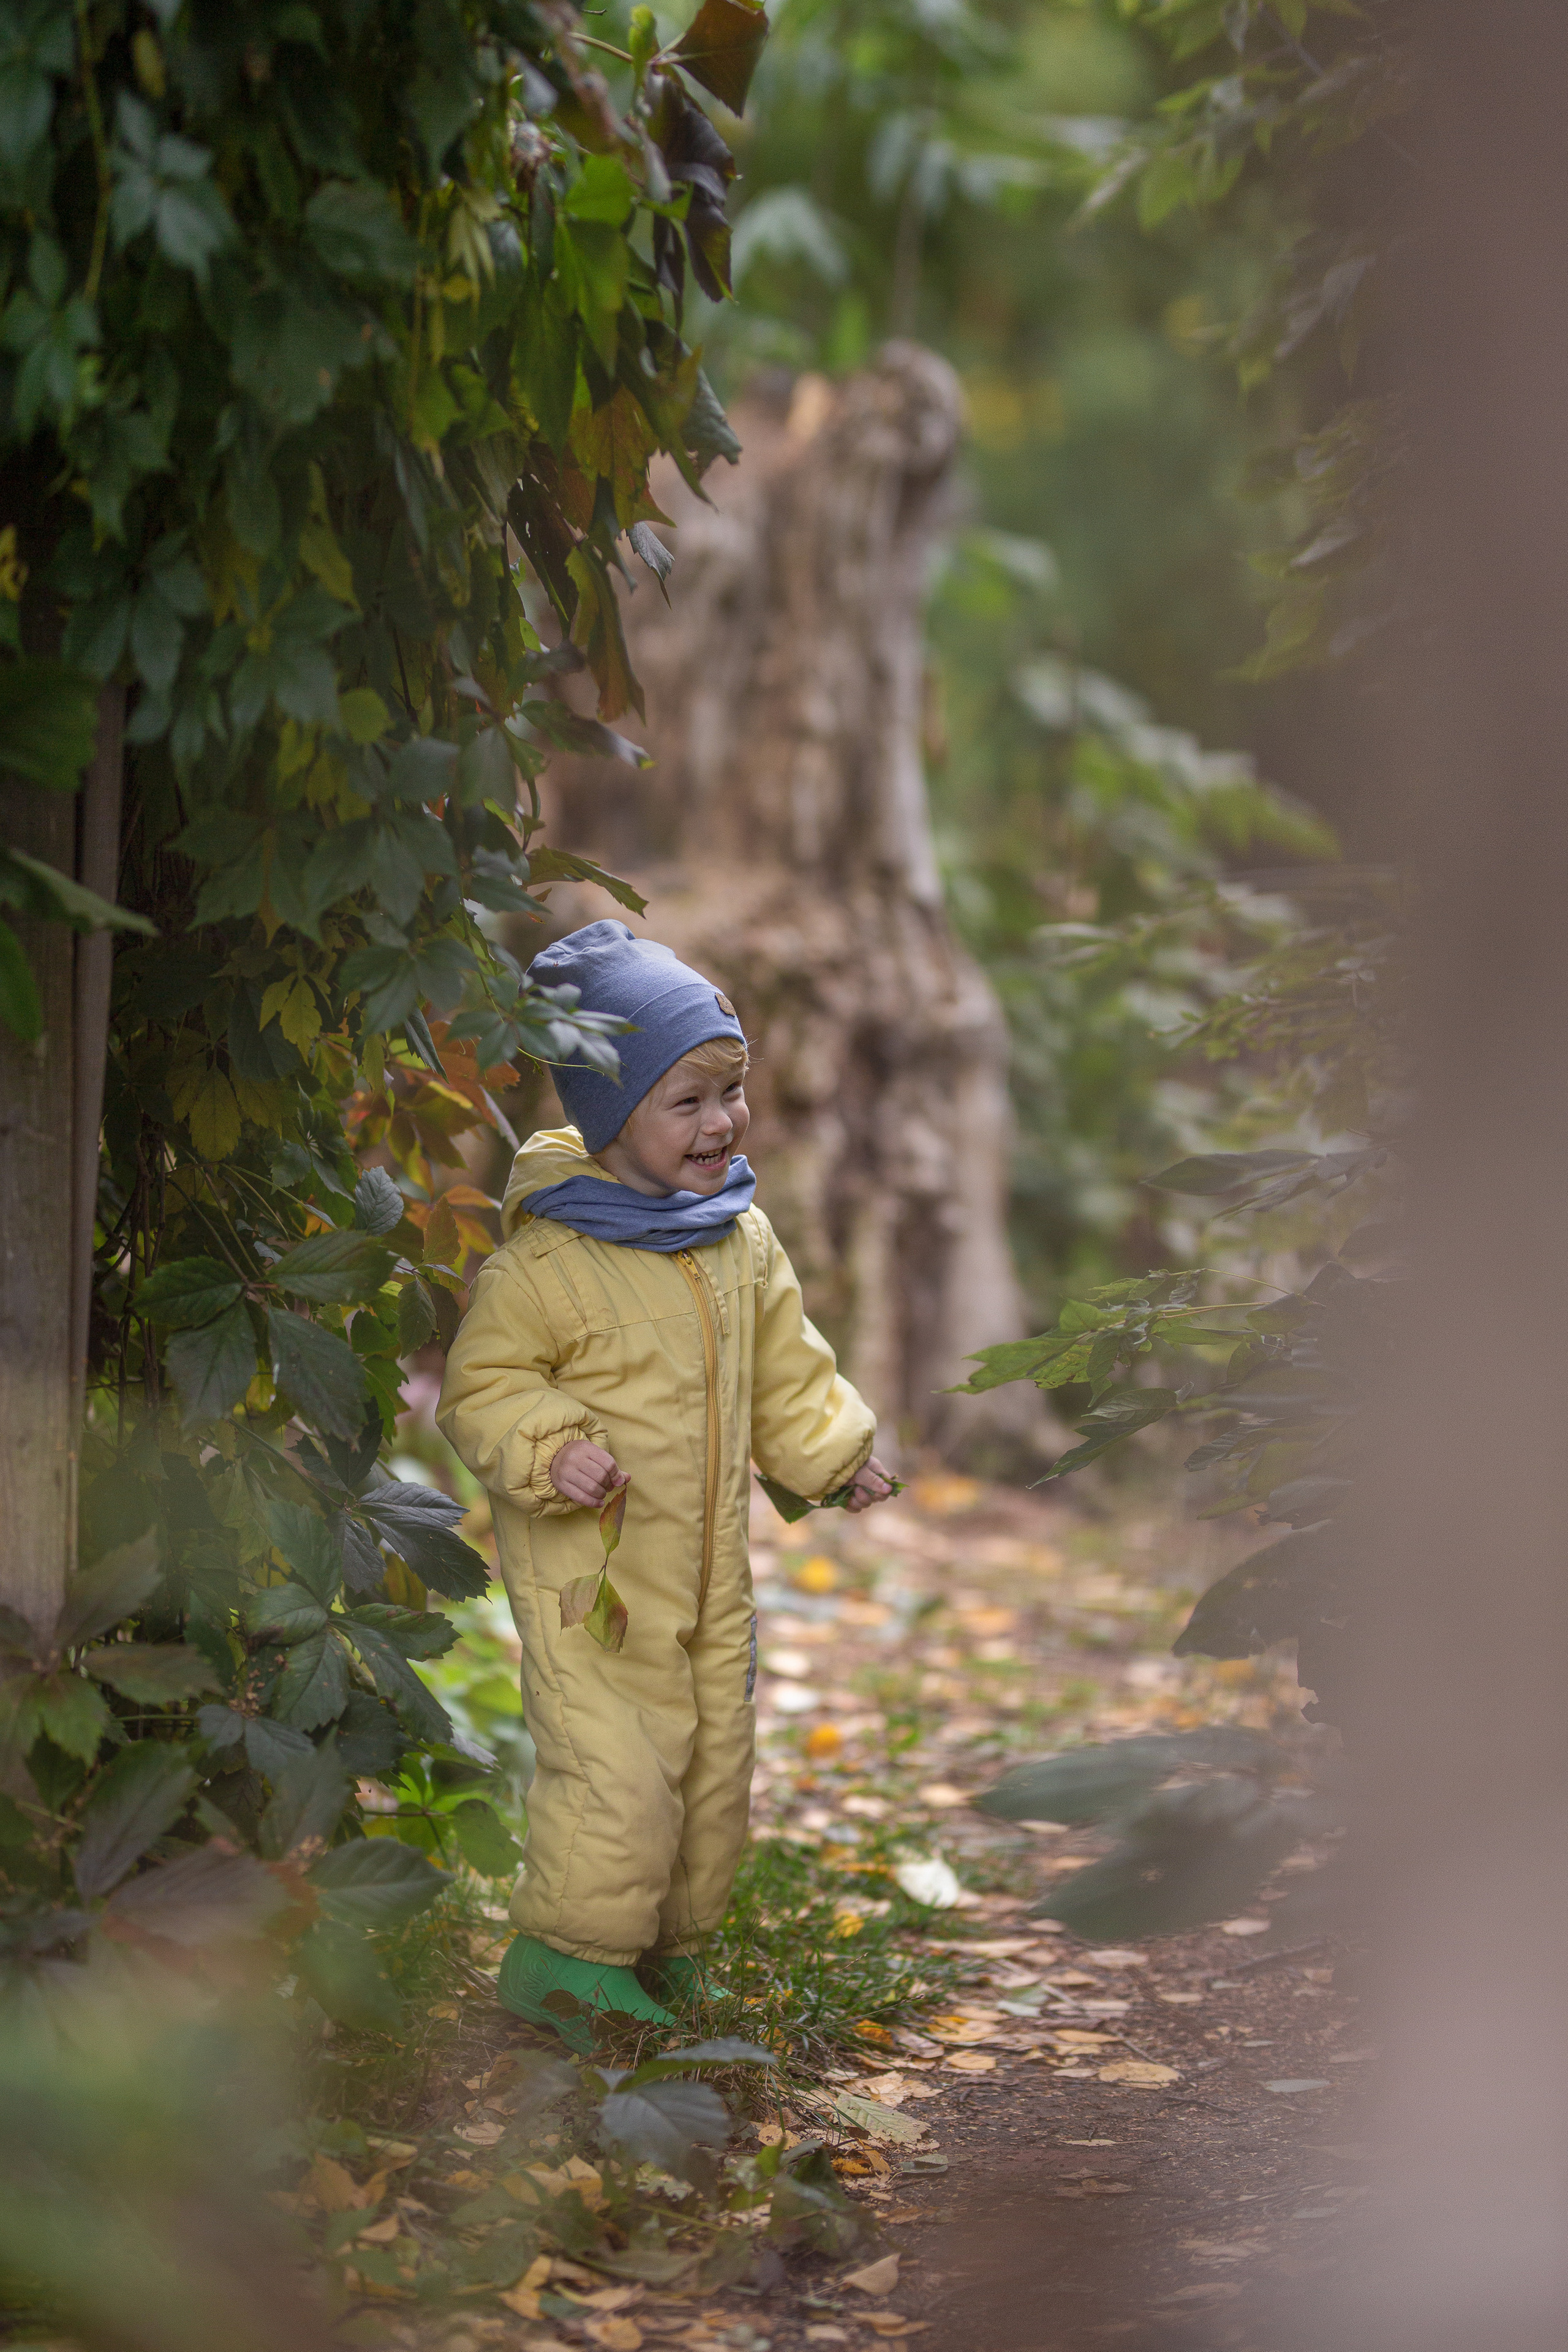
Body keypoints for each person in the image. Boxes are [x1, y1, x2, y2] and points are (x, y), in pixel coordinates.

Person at [437, 920, 894, 2046]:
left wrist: (831, 1453)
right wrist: (551, 1448)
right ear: (610, 1115)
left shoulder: (737, 1238)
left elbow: (785, 1366)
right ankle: (562, 1963)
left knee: (710, 1768)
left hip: (707, 1574)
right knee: (617, 1774)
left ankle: (666, 1952)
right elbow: (480, 1386)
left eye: (730, 1091)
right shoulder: (548, 1259)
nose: (721, 1123)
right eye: (685, 1101)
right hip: (594, 1584)